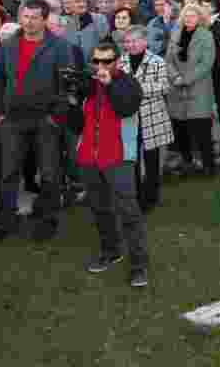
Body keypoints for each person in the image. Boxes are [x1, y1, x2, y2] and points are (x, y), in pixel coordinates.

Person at [0, 0, 78, 242]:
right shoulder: (8, 44)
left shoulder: (60, 47)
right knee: (8, 173)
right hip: (12, 120)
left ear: (44, 19)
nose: (28, 22)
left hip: (45, 120)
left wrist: (55, 116)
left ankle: (48, 221)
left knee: (49, 173)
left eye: (34, 17)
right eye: (25, 17)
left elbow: (67, 86)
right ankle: (4, 220)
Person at [68, 39, 149, 287]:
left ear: (117, 61)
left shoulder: (128, 84)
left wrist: (110, 83)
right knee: (100, 208)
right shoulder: (87, 85)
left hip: (119, 157)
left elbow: (126, 108)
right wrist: (69, 99)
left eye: (107, 61)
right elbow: (75, 124)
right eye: (96, 61)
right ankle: (110, 251)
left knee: (129, 212)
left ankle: (139, 266)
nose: (101, 66)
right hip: (89, 157)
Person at [119, 26, 173, 212]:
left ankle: (151, 195)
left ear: (144, 42)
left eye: (134, 41)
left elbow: (164, 86)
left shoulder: (157, 61)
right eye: (127, 42)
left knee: (152, 159)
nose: (131, 45)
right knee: (131, 158)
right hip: (129, 117)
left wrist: (137, 89)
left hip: (152, 117)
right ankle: (135, 194)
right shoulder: (120, 62)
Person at [165, 4, 217, 175]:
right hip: (177, 89)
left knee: (201, 129)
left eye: (193, 16)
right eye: (186, 16)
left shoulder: (206, 35)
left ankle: (208, 165)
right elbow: (168, 60)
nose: (189, 19)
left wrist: (186, 79)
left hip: (198, 88)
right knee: (180, 128)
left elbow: (207, 63)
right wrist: (176, 78)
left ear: (200, 18)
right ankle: (187, 162)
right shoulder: (175, 34)